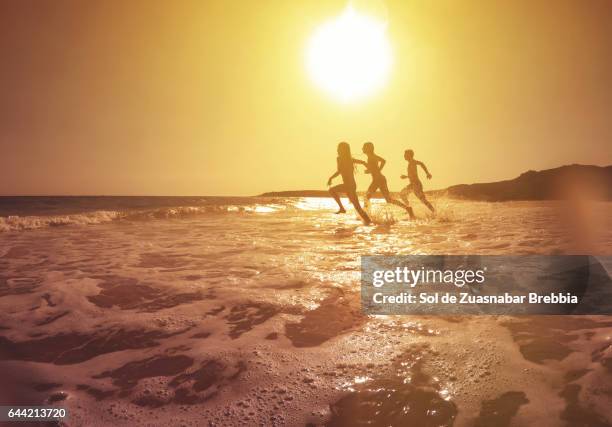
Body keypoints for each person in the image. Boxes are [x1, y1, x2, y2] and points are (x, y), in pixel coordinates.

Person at [362, 142, 415, 219]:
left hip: (377, 180)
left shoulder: (370, 157)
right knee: (388, 199)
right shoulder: (373, 156)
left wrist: (367, 168)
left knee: (366, 197)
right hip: (380, 179)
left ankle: (366, 216)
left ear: (369, 148)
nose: (362, 148)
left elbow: (374, 167)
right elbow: (383, 161)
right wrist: (376, 170)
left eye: (364, 147)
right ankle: (407, 208)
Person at [327, 142, 372, 225]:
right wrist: (331, 178)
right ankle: (369, 222)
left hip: (350, 185)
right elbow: (339, 171)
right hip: (348, 185)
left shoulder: (348, 159)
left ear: (344, 150)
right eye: (337, 148)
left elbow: (362, 162)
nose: (337, 150)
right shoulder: (340, 158)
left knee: (331, 190)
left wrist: (367, 166)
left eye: (339, 148)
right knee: (358, 208)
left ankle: (342, 208)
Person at [400, 149, 435, 213]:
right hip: (413, 184)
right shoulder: (410, 163)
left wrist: (427, 173)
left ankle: (434, 212)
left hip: (416, 184)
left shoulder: (413, 162)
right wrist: (406, 176)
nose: (404, 156)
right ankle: (409, 209)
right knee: (402, 194)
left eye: (405, 154)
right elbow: (413, 175)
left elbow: (421, 164)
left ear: (409, 155)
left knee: (423, 200)